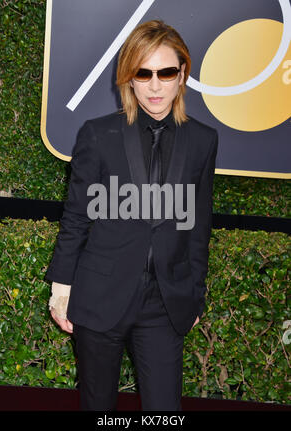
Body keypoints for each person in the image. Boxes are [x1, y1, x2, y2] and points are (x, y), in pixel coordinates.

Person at [45, 19, 218, 411]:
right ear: (129, 78)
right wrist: (61, 290)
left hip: (165, 302)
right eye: (144, 73)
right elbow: (76, 217)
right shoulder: (97, 135)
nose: (155, 85)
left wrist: (194, 294)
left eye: (166, 72)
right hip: (99, 295)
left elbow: (198, 224)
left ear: (182, 75)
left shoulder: (203, 140)